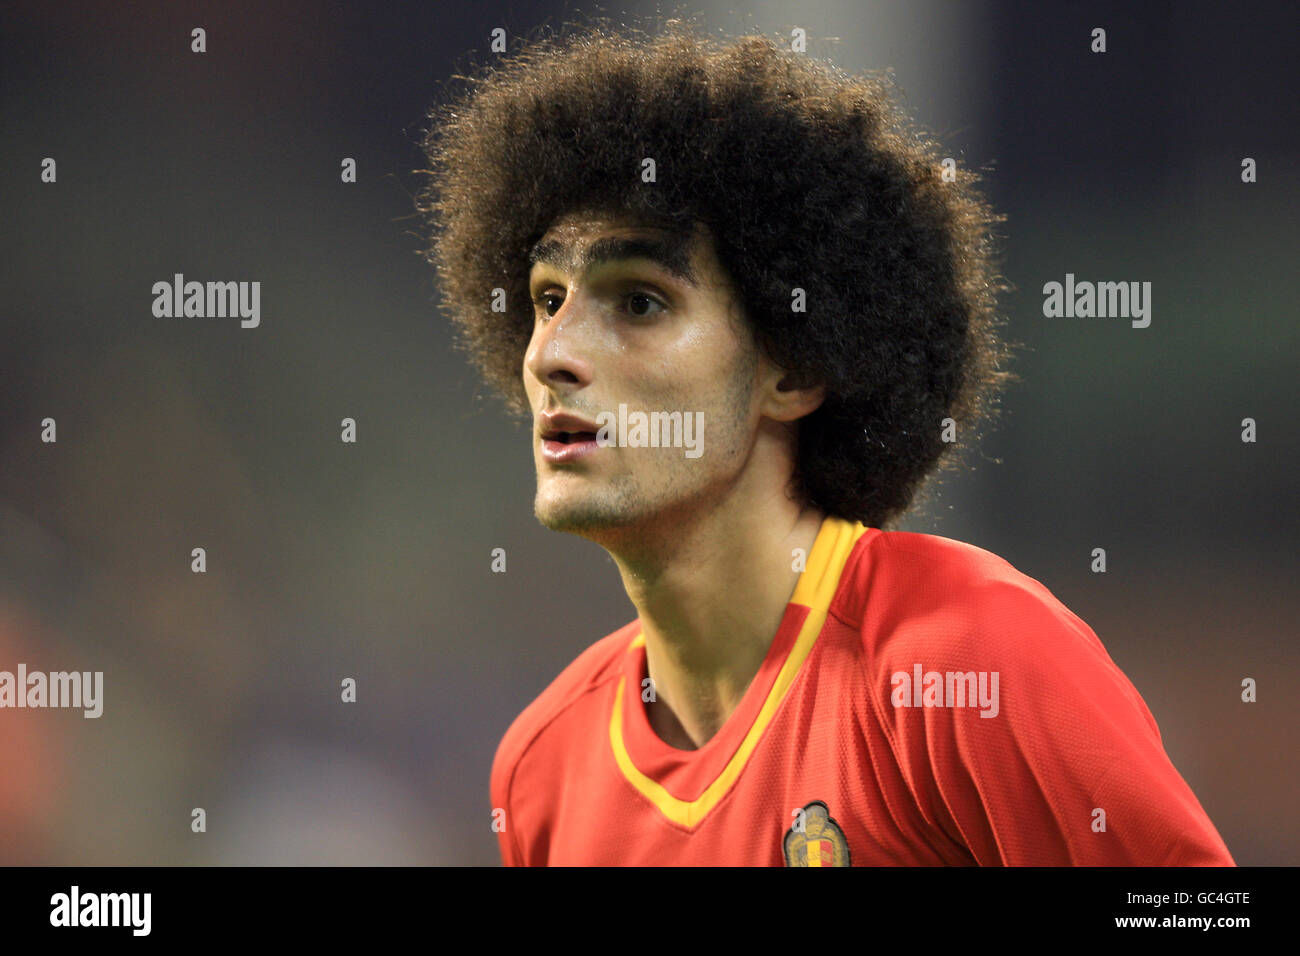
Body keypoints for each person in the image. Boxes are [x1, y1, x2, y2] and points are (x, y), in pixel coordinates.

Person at [417, 20, 1234, 865]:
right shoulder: (539, 770)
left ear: (794, 370)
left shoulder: (967, 662)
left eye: (639, 302)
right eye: (547, 299)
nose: (553, 355)